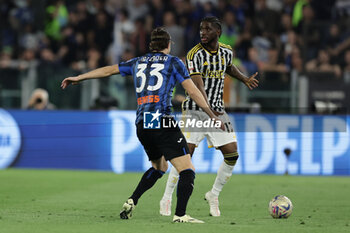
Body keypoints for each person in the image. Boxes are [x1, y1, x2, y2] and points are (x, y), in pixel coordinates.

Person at [61, 27, 224, 223]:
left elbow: (109, 70)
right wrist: (210, 113)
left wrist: (80, 77)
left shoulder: (137, 61)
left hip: (143, 122)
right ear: (168, 44)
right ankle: (181, 215)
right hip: (162, 120)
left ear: (151, 45)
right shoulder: (174, 62)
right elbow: (193, 91)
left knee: (159, 167)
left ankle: (133, 200)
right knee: (187, 170)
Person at [159, 16, 259, 217]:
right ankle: (167, 196)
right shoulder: (194, 54)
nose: (202, 32)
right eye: (201, 29)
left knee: (232, 154)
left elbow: (228, 66)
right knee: (185, 155)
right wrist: (210, 113)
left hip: (218, 110)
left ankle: (213, 194)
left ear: (218, 32)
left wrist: (244, 79)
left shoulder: (226, 51)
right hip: (196, 110)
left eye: (207, 29)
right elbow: (198, 85)